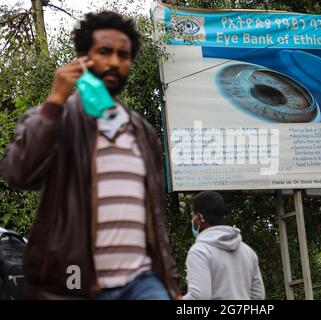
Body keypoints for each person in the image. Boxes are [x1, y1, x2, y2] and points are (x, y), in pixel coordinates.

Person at [0, 11, 180, 300]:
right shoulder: (55, 117)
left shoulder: (143, 133)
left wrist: (170, 284)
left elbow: (155, 219)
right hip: (75, 281)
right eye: (104, 52)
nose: (114, 62)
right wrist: (55, 100)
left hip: (141, 282)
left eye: (123, 55)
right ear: (83, 57)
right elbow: (19, 173)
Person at [183, 191, 265, 300]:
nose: (192, 220)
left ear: (199, 217)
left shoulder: (200, 251)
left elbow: (199, 296)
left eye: (192, 215)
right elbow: (258, 296)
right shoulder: (247, 251)